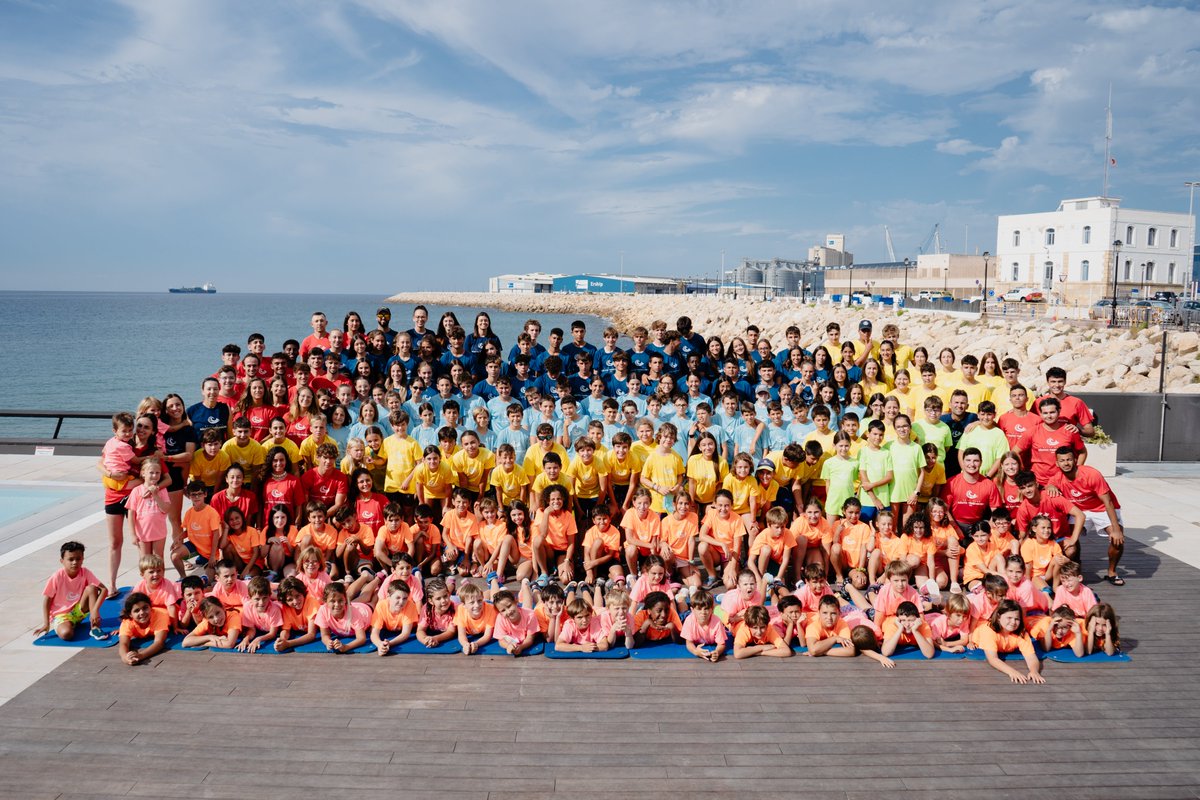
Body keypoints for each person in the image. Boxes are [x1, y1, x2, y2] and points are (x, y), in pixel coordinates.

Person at [1047, 446, 1125, 585]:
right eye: (1062, 461)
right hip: (1079, 511)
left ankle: (1112, 572)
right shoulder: (1056, 479)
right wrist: (1050, 486)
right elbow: (1050, 485)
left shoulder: (1091, 474)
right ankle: (1075, 569)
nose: (1066, 463)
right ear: (1057, 463)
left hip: (1101, 508)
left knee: (1117, 539)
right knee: (1070, 543)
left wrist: (1116, 529)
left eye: (1069, 460)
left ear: (1075, 460)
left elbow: (1108, 502)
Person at [35, 541, 108, 641]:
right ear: (62, 561)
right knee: (67, 634)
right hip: (62, 615)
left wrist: (95, 610)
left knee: (91, 588)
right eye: (70, 559)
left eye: (78, 559)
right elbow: (47, 600)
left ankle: (95, 627)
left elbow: (104, 589)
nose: (75, 562)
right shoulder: (56, 577)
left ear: (83, 559)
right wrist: (46, 623)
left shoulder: (85, 572)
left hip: (79, 610)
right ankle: (69, 624)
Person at [970, 599, 1045, 684]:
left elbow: (1031, 657)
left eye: (1017, 619)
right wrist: (1012, 672)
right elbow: (992, 658)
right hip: (977, 640)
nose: (1013, 622)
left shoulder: (1021, 633)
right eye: (1009, 618)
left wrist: (1034, 671)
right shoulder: (989, 631)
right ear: (998, 617)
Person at [116, 591, 170, 665]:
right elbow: (123, 644)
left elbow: (159, 643)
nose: (142, 612)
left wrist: (140, 656)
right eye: (136, 610)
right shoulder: (127, 622)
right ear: (130, 614)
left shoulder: (160, 616)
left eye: (145, 608)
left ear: (150, 607)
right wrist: (126, 658)